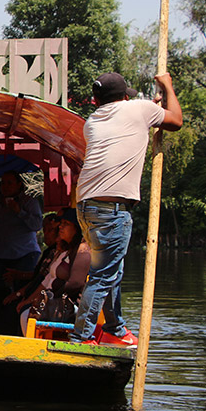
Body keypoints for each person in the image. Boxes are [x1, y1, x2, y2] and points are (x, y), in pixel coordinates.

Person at [70, 72, 182, 346]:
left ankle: (114, 328)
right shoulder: (140, 110)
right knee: (104, 274)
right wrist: (167, 84)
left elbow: (137, 117)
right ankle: (80, 337)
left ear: (96, 101)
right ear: (123, 96)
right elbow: (176, 121)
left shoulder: (92, 122)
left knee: (111, 271)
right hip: (111, 207)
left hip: (86, 205)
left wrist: (154, 108)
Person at [9, 208, 90, 336]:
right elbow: (46, 279)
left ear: (76, 228)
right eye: (61, 224)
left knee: (29, 313)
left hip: (71, 306)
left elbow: (75, 283)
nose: (61, 227)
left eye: (66, 224)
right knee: (25, 310)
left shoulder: (83, 250)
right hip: (54, 298)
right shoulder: (64, 251)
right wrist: (31, 299)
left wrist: (50, 296)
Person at [0, 171, 44, 288]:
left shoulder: (29, 202)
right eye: (3, 183)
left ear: (19, 184)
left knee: (19, 292)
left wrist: (19, 211)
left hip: (23, 255)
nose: (6, 187)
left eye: (10, 183)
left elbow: (37, 225)